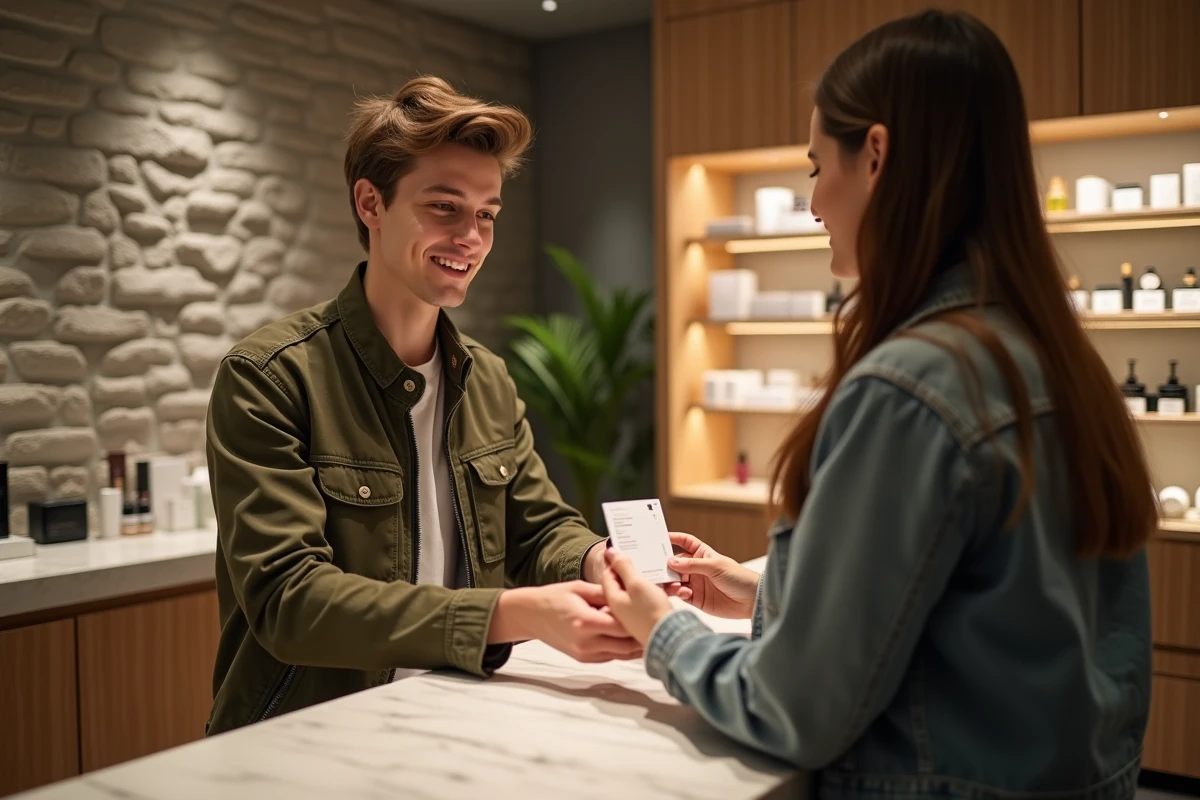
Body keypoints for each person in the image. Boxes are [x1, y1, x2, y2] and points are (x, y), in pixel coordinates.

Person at [601, 10, 1155, 798]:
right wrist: (766, 591)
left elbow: (797, 709)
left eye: (815, 165)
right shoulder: (1057, 362)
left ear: (877, 156)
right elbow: (998, 618)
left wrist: (665, 631)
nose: (814, 202)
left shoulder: (912, 390)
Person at [204, 77, 639, 736]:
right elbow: (290, 601)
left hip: (451, 719)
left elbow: (540, 529)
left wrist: (599, 562)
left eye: (487, 213)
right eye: (445, 206)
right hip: (303, 739)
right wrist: (514, 615)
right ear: (370, 203)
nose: (471, 236)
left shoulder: (487, 379)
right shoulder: (268, 377)